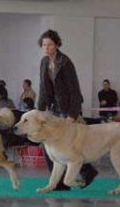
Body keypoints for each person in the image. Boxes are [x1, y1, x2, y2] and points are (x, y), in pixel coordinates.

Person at [36, 29, 98, 191]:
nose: (46, 47)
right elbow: (43, 88)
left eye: (49, 44)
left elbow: (75, 91)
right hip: (52, 110)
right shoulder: (44, 62)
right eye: (43, 44)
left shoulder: (65, 62)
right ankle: (59, 183)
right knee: (48, 144)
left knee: (69, 147)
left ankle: (87, 171)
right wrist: (39, 111)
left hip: (66, 110)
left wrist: (72, 115)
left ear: (56, 45)